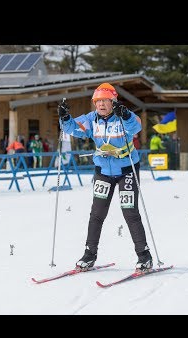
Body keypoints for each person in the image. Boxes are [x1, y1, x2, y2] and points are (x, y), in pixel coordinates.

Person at [58, 82, 153, 273]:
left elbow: (135, 127)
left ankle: (144, 256)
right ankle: (89, 254)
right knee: (97, 214)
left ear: (113, 101)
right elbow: (71, 128)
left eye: (105, 101)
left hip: (127, 169)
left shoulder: (123, 115)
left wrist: (125, 114)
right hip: (103, 171)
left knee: (130, 213)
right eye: (97, 101)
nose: (101, 105)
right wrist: (64, 117)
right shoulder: (91, 119)